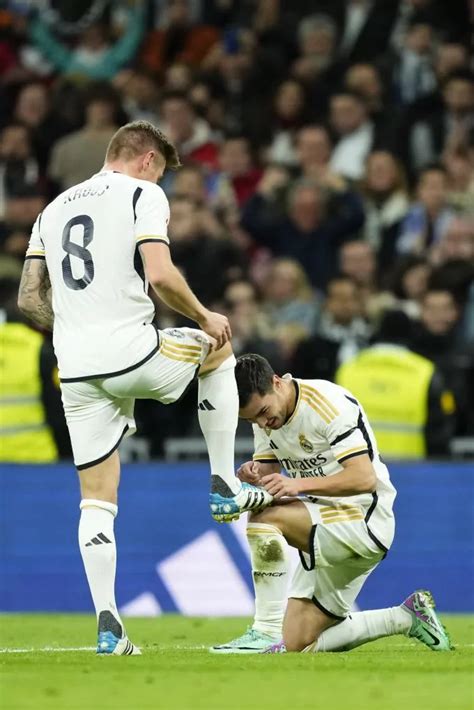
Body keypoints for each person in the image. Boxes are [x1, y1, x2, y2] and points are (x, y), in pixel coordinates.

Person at [17, 120, 271, 656]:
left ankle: (110, 627)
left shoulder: (51, 209)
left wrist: (75, 328)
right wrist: (204, 314)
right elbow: (159, 275)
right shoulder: (142, 193)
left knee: (96, 500)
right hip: (132, 351)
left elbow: (27, 298)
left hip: (77, 369)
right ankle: (224, 482)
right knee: (218, 346)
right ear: (148, 159)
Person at [211, 353, 452, 654]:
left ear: (276, 382)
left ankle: (264, 630)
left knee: (265, 519)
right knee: (298, 642)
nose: (262, 423)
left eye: (263, 412)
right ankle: (405, 618)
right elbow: (271, 477)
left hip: (363, 519)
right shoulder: (266, 420)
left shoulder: (327, 403)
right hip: (322, 521)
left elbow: (364, 478)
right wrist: (253, 477)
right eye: (252, 420)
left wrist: (296, 484)